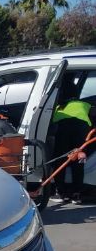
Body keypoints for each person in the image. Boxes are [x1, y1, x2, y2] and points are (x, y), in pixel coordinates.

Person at [51, 74, 93, 204]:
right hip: (82, 132)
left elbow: (51, 124)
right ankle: (77, 193)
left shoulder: (59, 107)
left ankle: (61, 192)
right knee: (79, 160)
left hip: (64, 132)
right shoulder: (84, 104)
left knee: (61, 160)